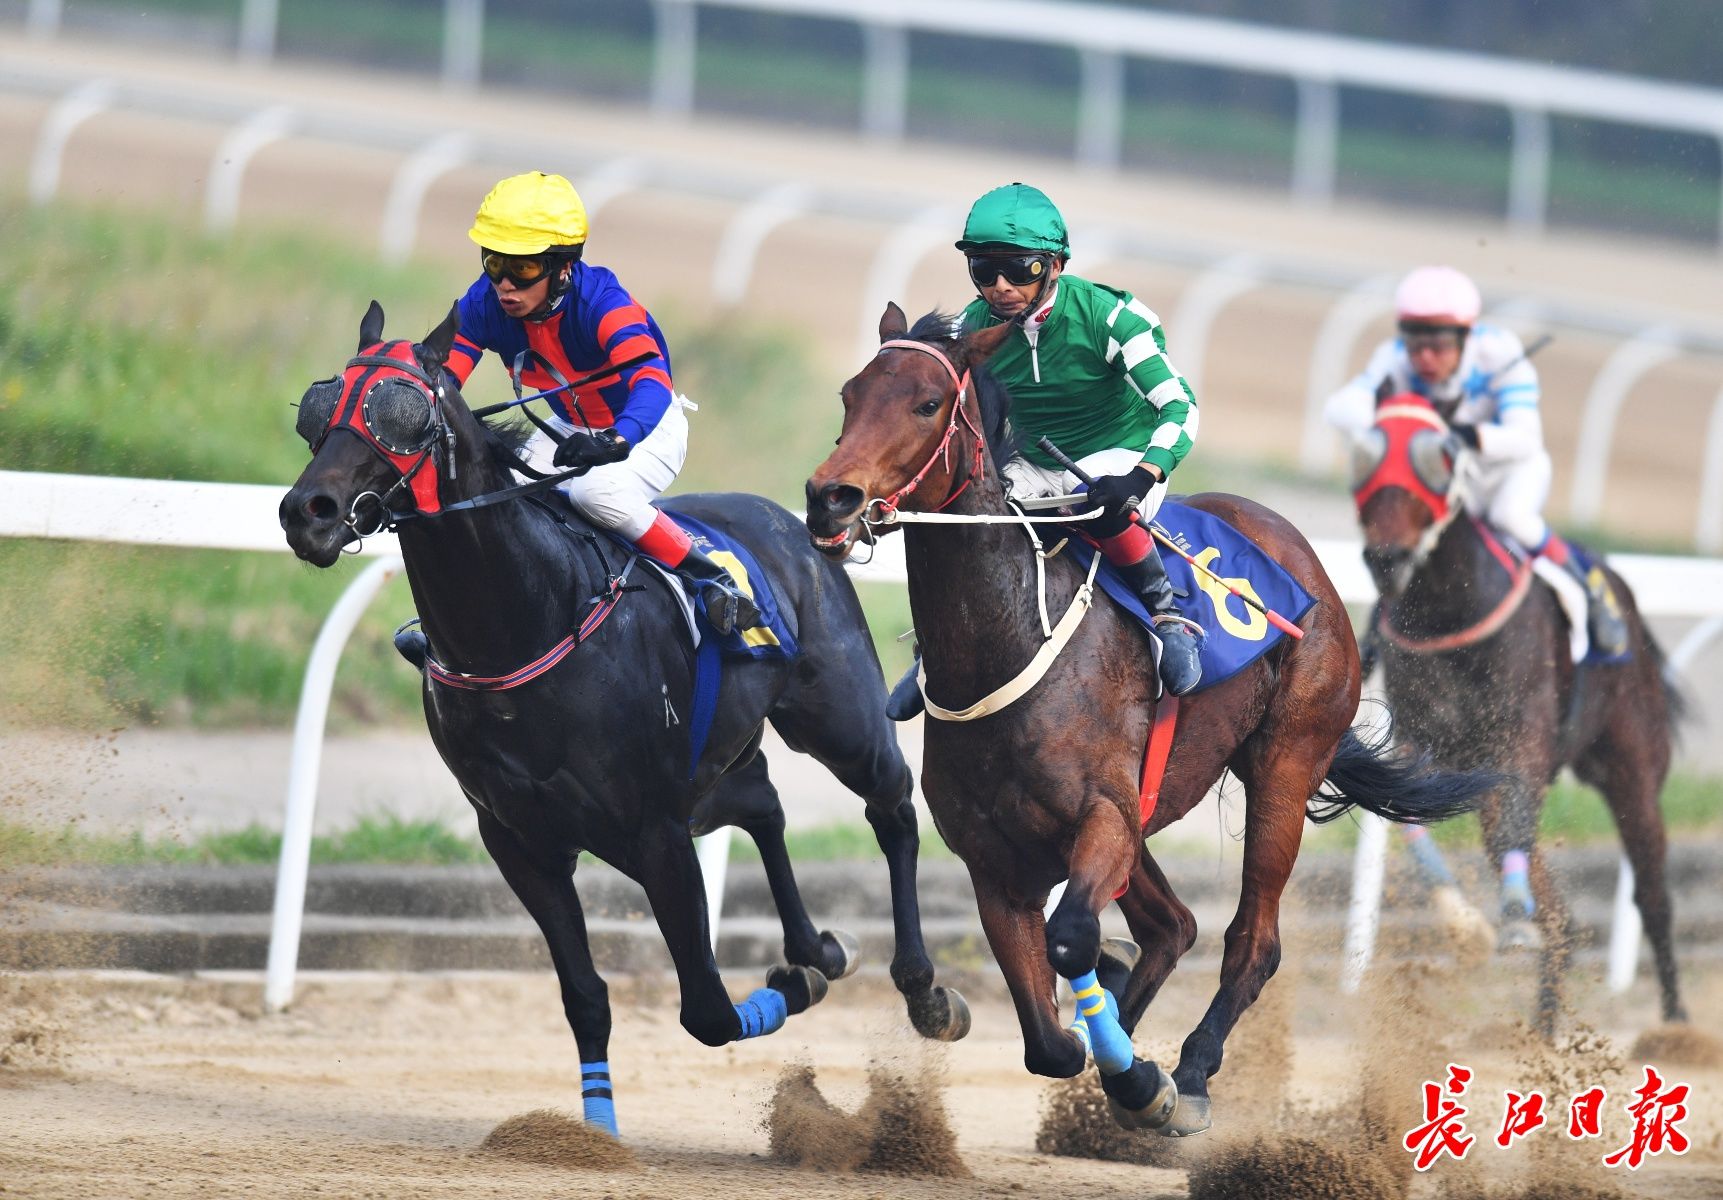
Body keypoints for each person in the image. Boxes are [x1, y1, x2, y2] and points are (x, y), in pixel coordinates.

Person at [395, 171, 758, 672]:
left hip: (646, 426)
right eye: (495, 262)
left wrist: (616, 439)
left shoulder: (605, 303)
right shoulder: (483, 302)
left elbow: (651, 384)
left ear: (563, 268)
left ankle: (710, 580)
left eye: (522, 268)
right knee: (490, 497)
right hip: (566, 429)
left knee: (596, 494)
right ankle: (454, 628)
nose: (503, 284)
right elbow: (445, 380)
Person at [886, 182, 1204, 720]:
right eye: (985, 271)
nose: (1002, 287)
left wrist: (1142, 475)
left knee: (1095, 499)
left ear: (1055, 264)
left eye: (1021, 269)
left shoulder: (1112, 318)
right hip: (1031, 463)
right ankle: (932, 650)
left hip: (1117, 458)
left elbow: (1180, 408)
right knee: (972, 514)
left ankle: (1168, 616)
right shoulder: (971, 329)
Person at [1325, 265, 1627, 655]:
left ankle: (1591, 587)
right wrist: (1397, 423)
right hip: (1451, 480)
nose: (1425, 357)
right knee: (1404, 531)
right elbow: (1340, 408)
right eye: (1416, 345)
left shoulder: (1502, 354)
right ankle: (1376, 630)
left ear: (1467, 337)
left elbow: (1525, 439)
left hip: (1507, 473)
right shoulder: (1393, 357)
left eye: (1439, 346)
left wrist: (1469, 435)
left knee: (1511, 519)